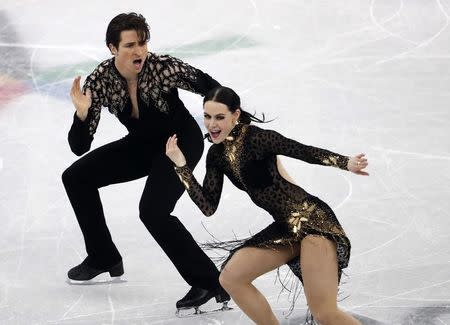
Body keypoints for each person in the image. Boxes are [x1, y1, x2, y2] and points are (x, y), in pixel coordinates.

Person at [61, 12, 229, 313]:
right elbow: (79, 147)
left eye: (142, 43)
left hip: (179, 144)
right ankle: (103, 256)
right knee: (76, 176)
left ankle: (209, 281)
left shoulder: (163, 68)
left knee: (153, 211)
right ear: (113, 48)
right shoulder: (100, 80)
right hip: (142, 146)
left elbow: (213, 87)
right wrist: (82, 114)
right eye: (129, 45)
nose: (138, 51)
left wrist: (222, 125)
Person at [165, 86, 369, 325]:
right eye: (207, 117)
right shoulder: (217, 156)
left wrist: (346, 163)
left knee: (324, 313)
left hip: (312, 222)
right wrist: (181, 166)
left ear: (235, 115)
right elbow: (208, 206)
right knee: (231, 277)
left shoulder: (258, 138)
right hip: (285, 227)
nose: (212, 124)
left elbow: (303, 151)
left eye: (219, 117)